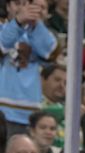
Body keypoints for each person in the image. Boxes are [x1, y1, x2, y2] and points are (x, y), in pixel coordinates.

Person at [0, 0, 57, 137]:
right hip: (2, 109)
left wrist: (35, 24)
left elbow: (52, 52)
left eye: (26, 4)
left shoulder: (37, 31)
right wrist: (18, 22)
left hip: (31, 112)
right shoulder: (2, 28)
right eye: (17, 3)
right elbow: (2, 46)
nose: (22, 8)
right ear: (8, 7)